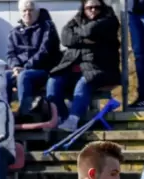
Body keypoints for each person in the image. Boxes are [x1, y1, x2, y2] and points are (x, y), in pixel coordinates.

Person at [46, 0, 120, 132]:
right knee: (53, 81)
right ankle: (62, 117)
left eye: (97, 7)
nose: (93, 10)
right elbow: (65, 37)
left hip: (100, 67)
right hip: (73, 66)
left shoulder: (109, 20)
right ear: (83, 8)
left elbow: (90, 30)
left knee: (84, 82)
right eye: (89, 7)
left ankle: (73, 120)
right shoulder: (76, 19)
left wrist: (77, 36)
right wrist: (84, 40)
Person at [7, 0, 62, 118]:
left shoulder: (47, 28)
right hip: (21, 70)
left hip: (43, 70)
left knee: (24, 76)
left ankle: (26, 115)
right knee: (3, 77)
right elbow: (10, 54)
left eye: (31, 10)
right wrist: (15, 67)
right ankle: (3, 115)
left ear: (37, 11)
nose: (27, 13)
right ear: (20, 12)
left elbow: (44, 52)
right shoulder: (14, 32)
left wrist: (24, 68)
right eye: (24, 10)